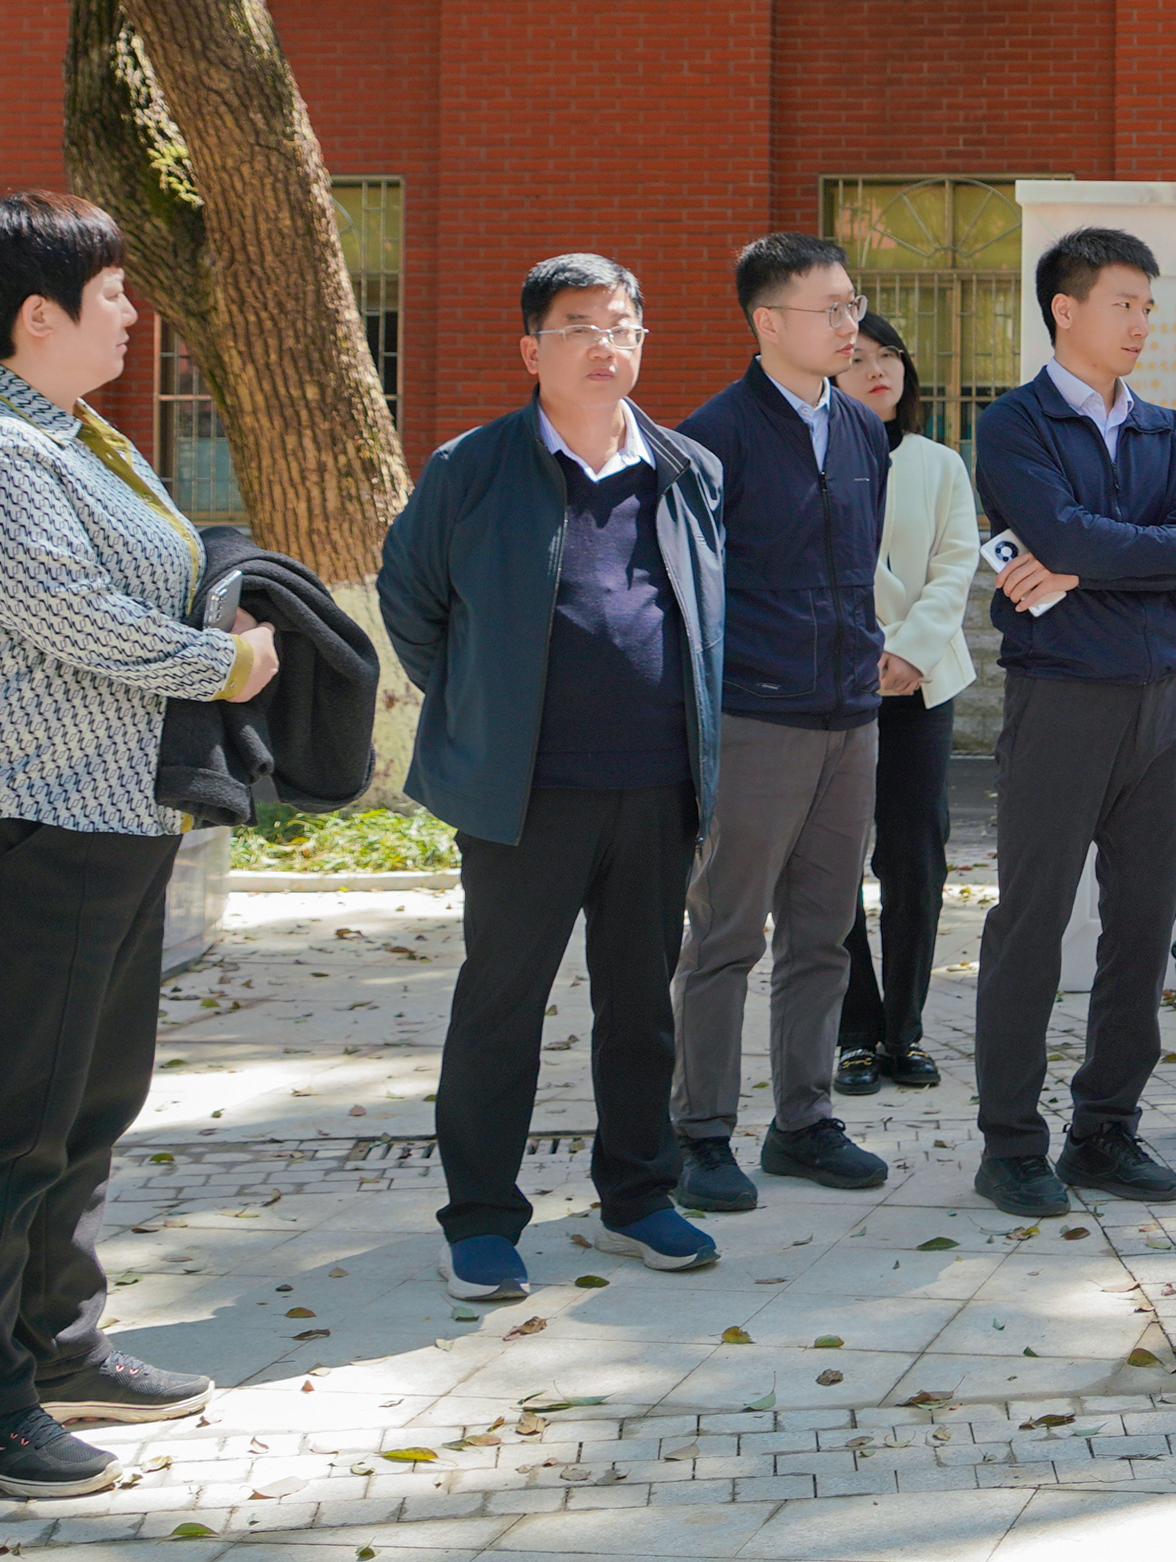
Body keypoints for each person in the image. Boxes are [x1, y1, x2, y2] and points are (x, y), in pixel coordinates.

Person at [0, 191, 282, 1499]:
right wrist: (223, 665)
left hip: (111, 818)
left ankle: (56, 1346)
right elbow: (71, 612)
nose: (131, 312)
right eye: (113, 292)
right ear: (37, 313)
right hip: (24, 825)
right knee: (7, 1124)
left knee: (87, 1109)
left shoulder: (74, 434)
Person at [378, 253, 728, 1301]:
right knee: (502, 1003)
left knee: (641, 1005)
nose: (602, 343)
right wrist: (482, 703)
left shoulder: (688, 469)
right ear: (532, 349)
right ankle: (482, 1218)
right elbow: (409, 599)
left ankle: (638, 1197)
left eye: (620, 324)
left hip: (657, 786)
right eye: (577, 325)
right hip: (521, 795)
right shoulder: (472, 468)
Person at [970, 227, 1176, 1218]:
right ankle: (1010, 1144)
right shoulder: (1014, 424)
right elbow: (1067, 535)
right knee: (1032, 921)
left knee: (1143, 925)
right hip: (1061, 697)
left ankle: (1104, 1128)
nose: (1140, 322)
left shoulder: (1163, 428)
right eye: (1124, 303)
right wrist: (1148, 551)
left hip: (1164, 697)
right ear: (1065, 308)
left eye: (1147, 306)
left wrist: (1089, 563)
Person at [668, 236, 895, 1208]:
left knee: (825, 932)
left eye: (853, 305)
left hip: (852, 713)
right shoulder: (710, 438)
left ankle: (803, 1122)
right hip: (755, 716)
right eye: (828, 309)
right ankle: (699, 1133)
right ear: (767, 322)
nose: (850, 326)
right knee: (726, 933)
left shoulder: (862, 431)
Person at [832, 310, 980, 1094]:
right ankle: (854, 1032)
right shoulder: (814, 457)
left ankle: (903, 1031)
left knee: (914, 858)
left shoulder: (939, 462)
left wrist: (911, 650)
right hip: (838, 685)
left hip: (921, 685)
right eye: (857, 358)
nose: (878, 369)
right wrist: (866, 653)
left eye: (888, 354)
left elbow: (956, 565)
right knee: (832, 860)